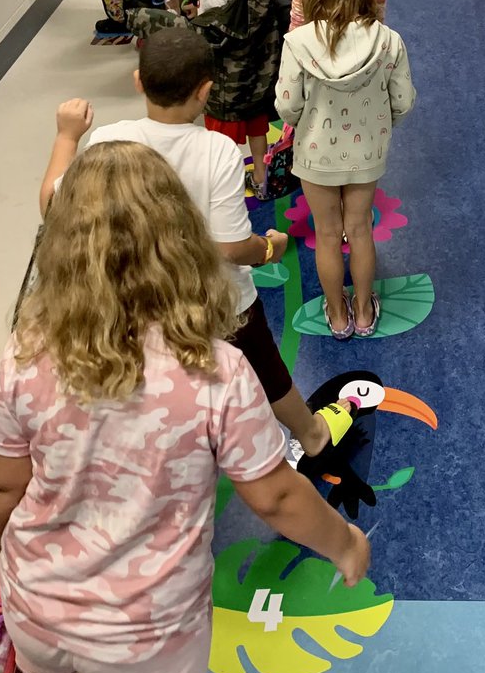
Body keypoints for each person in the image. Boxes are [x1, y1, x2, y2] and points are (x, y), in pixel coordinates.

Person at [0, 140, 369, 673]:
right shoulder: (217, 370)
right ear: (180, 241)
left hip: (44, 599)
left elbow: (2, 486)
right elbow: (273, 495)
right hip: (152, 623)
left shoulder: (25, 354)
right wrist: (344, 543)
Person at [38, 35, 354, 462]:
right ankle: (313, 434)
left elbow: (52, 206)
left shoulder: (108, 140)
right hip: (219, 301)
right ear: (205, 90)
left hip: (140, 296)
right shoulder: (217, 150)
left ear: (138, 81)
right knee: (265, 364)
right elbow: (229, 248)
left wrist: (66, 137)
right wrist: (268, 249)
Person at [276, 0, 415, 339]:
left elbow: (287, 107)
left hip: (315, 155)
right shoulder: (388, 40)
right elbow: (403, 101)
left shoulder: (297, 44)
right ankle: (365, 311)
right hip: (366, 153)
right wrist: (382, 122)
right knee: (359, 230)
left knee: (326, 233)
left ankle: (337, 315)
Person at [176, 0, 279, 196]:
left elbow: (215, 32)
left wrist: (200, 20)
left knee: (223, 140)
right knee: (257, 127)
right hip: (255, 69)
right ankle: (261, 176)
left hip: (227, 79)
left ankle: (227, 189)